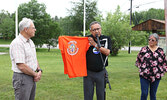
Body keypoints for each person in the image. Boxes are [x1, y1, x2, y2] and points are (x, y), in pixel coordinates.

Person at [10, 17, 42, 100]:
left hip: (31, 76)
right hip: (22, 78)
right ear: (26, 29)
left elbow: (33, 58)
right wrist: (35, 74)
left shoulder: (30, 41)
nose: (35, 29)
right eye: (33, 28)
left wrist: (39, 70)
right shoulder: (17, 43)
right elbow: (21, 66)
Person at [84, 21, 112, 100]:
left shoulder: (106, 39)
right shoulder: (86, 39)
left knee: (101, 96)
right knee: (88, 96)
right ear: (90, 31)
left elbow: (107, 52)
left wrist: (95, 45)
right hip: (88, 73)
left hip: (101, 72)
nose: (96, 31)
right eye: (94, 30)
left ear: (101, 29)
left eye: (98, 29)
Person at [135, 33, 167, 100]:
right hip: (144, 75)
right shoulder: (144, 49)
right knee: (144, 93)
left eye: (152, 40)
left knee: (153, 94)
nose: (150, 41)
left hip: (156, 76)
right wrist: (141, 69)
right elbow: (138, 60)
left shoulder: (160, 51)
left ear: (156, 41)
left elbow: (164, 62)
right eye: (149, 39)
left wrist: (162, 71)